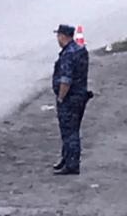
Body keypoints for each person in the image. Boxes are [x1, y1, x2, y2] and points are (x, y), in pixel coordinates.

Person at [51, 24, 91, 175]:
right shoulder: (80, 50)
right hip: (80, 96)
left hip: (70, 98)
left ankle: (72, 164)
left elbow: (66, 80)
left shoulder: (68, 54)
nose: (57, 39)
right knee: (71, 129)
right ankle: (66, 158)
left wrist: (61, 97)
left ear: (63, 36)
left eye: (58, 36)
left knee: (69, 131)